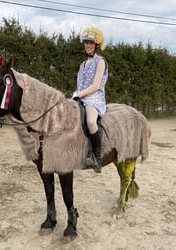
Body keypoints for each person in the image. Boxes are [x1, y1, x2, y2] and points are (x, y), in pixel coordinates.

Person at [68, 26, 108, 173]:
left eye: (91, 43)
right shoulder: (82, 65)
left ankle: (97, 159)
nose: (88, 45)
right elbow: (80, 85)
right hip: (82, 96)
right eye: (86, 43)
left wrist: (80, 94)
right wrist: (74, 94)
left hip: (94, 98)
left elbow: (96, 85)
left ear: (96, 45)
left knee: (91, 121)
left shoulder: (101, 61)